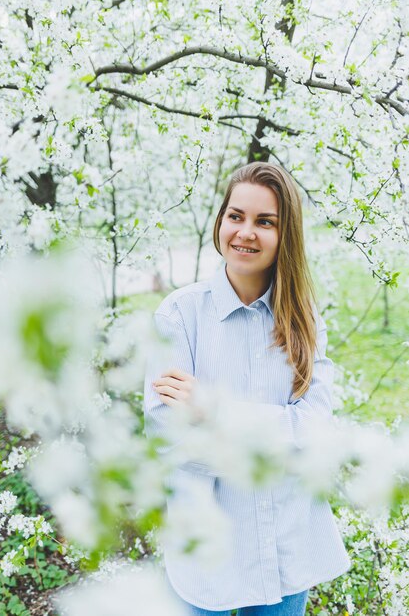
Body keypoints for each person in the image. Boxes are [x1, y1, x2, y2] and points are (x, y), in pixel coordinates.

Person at [143, 162, 351, 616]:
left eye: (265, 222)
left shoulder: (303, 319)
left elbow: (317, 432)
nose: (245, 232)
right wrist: (279, 439)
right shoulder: (179, 317)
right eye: (236, 216)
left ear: (285, 235)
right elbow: (170, 441)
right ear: (220, 220)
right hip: (207, 556)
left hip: (285, 546)